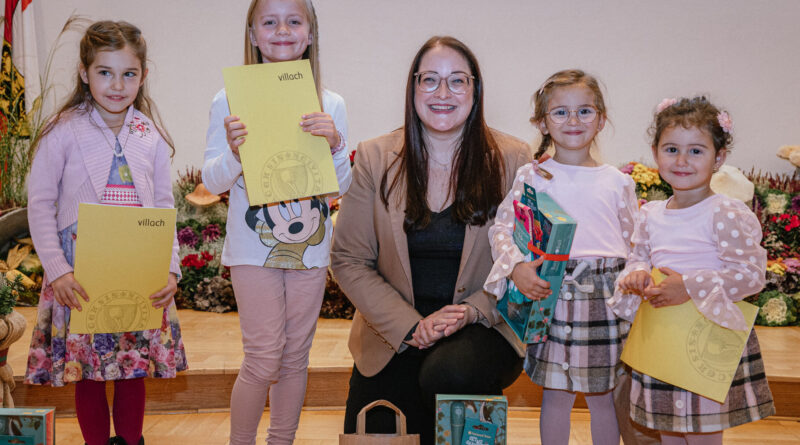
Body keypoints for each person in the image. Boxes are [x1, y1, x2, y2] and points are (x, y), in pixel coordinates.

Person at [331, 35, 529, 444]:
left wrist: (470, 311)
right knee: (379, 427)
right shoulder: (375, 157)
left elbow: (526, 261)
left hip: (482, 324)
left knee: (450, 373)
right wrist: (410, 327)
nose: (443, 93)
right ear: (413, 87)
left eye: (458, 81)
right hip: (394, 329)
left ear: (475, 89)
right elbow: (349, 258)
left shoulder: (513, 159)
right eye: (430, 80)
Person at [24, 21, 186, 445]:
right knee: (88, 372)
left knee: (133, 369)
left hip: (138, 269)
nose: (117, 85)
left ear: (143, 76)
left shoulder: (148, 135)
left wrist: (169, 270)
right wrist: (58, 271)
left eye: (128, 73)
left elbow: (165, 206)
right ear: (84, 72)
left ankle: (131, 442)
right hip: (78, 271)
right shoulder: (62, 130)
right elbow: (40, 204)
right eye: (105, 72)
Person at [201, 0, 351, 443]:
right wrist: (233, 152)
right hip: (252, 248)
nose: (282, 30)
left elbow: (338, 187)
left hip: (312, 249)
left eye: (293, 21)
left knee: (295, 359)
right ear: (252, 34)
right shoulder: (227, 99)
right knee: (264, 358)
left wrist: (337, 142)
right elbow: (212, 179)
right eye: (269, 21)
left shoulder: (331, 103)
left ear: (310, 33)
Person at [484, 69, 637, 445]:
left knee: (603, 396)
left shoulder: (618, 181)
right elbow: (501, 229)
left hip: (605, 301)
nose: (573, 121)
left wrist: (638, 283)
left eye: (585, 111)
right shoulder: (532, 176)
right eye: (561, 112)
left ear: (601, 120)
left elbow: (637, 244)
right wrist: (516, 267)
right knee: (555, 395)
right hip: (549, 297)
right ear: (542, 122)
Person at [611, 97, 775, 445]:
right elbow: (638, 256)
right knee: (667, 430)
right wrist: (637, 274)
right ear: (655, 153)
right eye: (671, 149)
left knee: (702, 435)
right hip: (661, 337)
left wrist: (689, 285)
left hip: (706, 339)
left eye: (696, 151)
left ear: (719, 158)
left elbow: (750, 275)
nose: (682, 161)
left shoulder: (725, 213)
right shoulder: (651, 213)